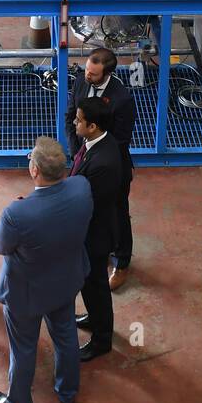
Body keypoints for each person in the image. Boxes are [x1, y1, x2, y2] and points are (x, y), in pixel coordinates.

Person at [0, 137, 92, 403]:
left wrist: (17, 215)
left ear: (34, 171)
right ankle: (67, 394)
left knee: (23, 349)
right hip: (65, 283)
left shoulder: (17, 214)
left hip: (26, 295)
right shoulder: (81, 188)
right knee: (66, 336)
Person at [65, 46, 134, 290]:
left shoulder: (122, 100)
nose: (87, 77)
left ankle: (122, 261)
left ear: (107, 74)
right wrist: (77, 154)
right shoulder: (81, 83)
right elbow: (70, 116)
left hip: (110, 167)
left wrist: (92, 154)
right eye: (86, 71)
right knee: (92, 212)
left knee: (116, 212)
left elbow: (121, 140)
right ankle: (100, 251)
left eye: (93, 75)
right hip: (84, 158)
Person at [71, 97, 123, 361]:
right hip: (92, 232)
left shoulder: (103, 163)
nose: (74, 122)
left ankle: (102, 340)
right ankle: (94, 317)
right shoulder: (95, 143)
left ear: (92, 126)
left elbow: (88, 204)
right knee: (91, 286)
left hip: (95, 236)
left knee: (96, 286)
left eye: (79, 120)